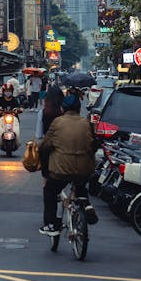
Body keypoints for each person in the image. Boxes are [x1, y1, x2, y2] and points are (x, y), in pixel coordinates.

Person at [37, 88, 98, 235]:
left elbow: (45, 145)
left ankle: (51, 224)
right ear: (79, 108)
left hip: (61, 170)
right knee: (80, 183)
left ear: (63, 108)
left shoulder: (57, 122)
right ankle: (86, 204)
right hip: (85, 169)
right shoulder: (86, 123)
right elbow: (94, 146)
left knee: (50, 191)